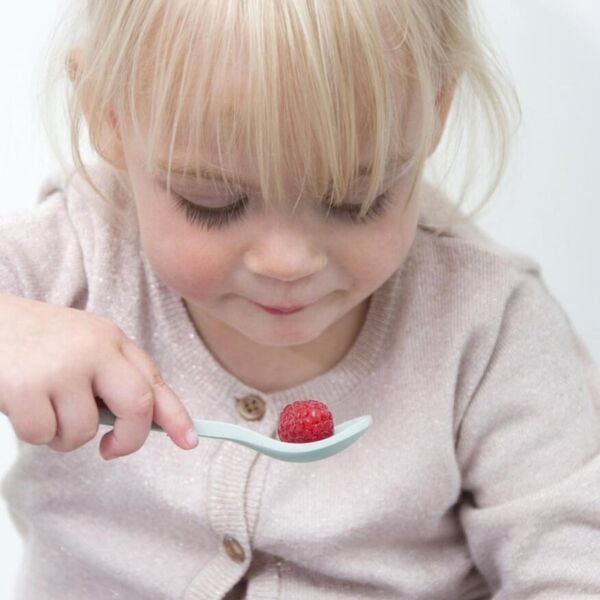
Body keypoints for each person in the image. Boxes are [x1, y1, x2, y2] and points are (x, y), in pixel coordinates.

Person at [1, 1, 599, 598]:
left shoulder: (490, 329)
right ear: (109, 116)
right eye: (213, 201)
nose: (287, 264)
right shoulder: (74, 255)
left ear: (434, 112)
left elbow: (574, 564)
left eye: (356, 200)